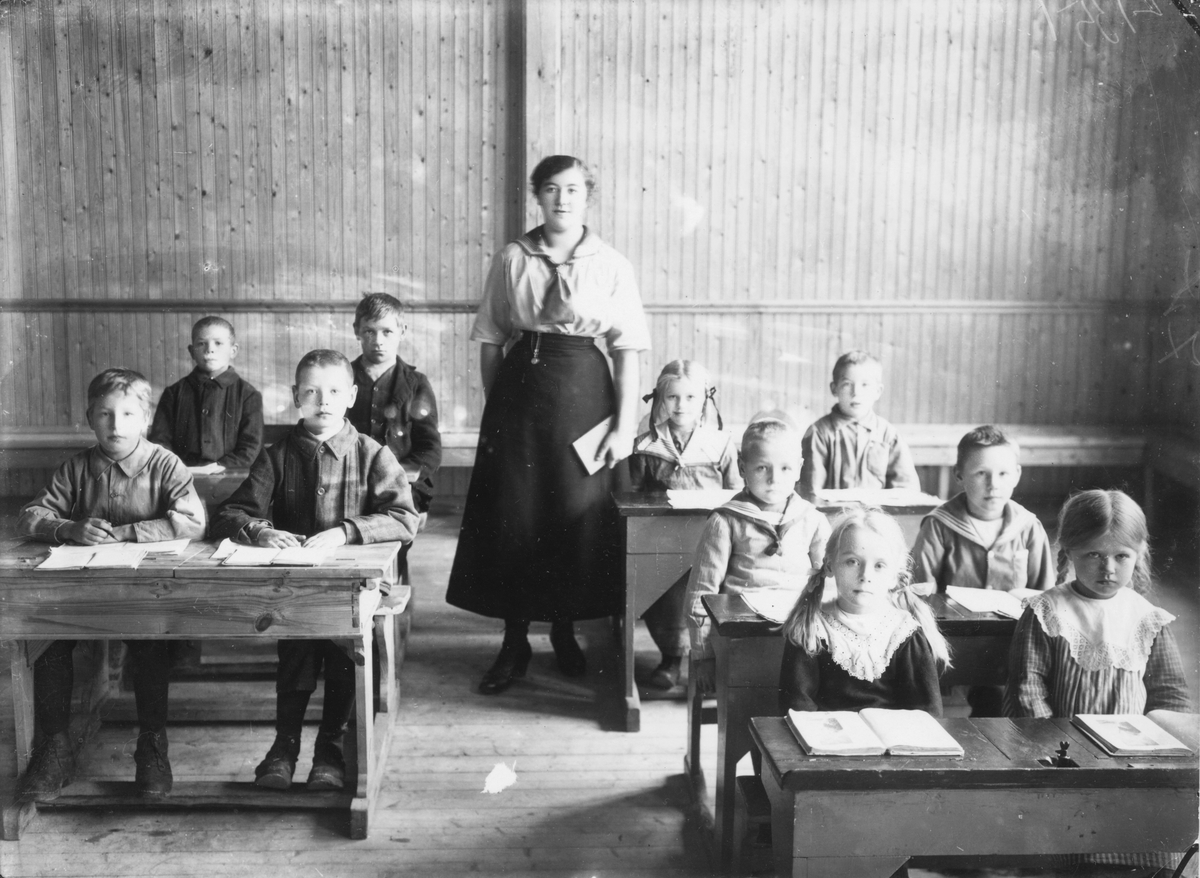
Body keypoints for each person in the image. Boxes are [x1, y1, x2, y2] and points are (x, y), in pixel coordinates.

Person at [446, 155, 651, 696]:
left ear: (588, 197)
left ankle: (564, 630)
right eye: (552, 189)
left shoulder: (611, 264)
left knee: (572, 516)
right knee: (515, 515)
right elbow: (491, 339)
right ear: (537, 195)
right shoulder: (513, 258)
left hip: (586, 398)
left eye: (574, 189)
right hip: (519, 401)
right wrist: (500, 409)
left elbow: (628, 350)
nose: (563, 199)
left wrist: (623, 427)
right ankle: (513, 642)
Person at [212, 350, 419, 790]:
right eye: (311, 391)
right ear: (295, 397)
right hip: (296, 592)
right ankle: (284, 746)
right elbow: (231, 512)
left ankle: (330, 749)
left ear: (352, 396)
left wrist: (347, 531)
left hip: (356, 590)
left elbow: (404, 518)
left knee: (344, 657)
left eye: (334, 392)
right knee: (296, 656)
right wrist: (261, 530)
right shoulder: (277, 455)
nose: (323, 401)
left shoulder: (372, 454)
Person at [17, 369, 207, 801]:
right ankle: (55, 748)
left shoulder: (165, 464)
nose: (116, 425)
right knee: (47, 640)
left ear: (146, 418)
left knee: (150, 643)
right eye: (105, 414)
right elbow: (30, 515)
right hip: (83, 590)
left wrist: (129, 533)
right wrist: (67, 527)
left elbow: (193, 522)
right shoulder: (76, 467)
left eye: (127, 414)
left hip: (145, 592)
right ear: (90, 418)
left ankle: (152, 745)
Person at [1005, 490, 1191, 874]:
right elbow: (1028, 690)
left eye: (1121, 556)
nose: (1108, 568)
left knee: (1148, 841)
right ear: (1069, 552)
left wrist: (1157, 746)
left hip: (1133, 760)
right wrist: (1058, 749)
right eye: (1093, 554)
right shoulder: (1047, 612)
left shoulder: (1146, 617)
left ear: (1138, 555)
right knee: (1075, 846)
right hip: (1063, 759)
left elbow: (1170, 693)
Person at [910, 425, 1054, 715]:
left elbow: (1047, 595)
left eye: (1003, 474)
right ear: (959, 475)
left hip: (1013, 637)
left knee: (1006, 696)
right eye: (981, 473)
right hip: (955, 637)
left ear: (1017, 475)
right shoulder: (939, 525)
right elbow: (919, 591)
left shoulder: (1028, 527)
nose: (993, 484)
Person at [684, 418, 830, 695]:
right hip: (741, 634)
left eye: (785, 468)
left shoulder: (813, 520)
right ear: (742, 468)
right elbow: (700, 594)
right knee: (747, 697)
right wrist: (702, 655)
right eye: (762, 467)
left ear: (799, 468)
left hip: (799, 632)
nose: (774, 479)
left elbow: (829, 584)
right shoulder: (725, 521)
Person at [629, 360, 741, 690]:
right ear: (660, 399)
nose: (681, 405)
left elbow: (736, 494)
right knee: (667, 592)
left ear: (705, 399)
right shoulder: (647, 444)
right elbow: (633, 495)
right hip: (663, 540)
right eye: (672, 397)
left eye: (690, 397)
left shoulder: (719, 443)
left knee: (716, 589)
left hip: (713, 539)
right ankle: (671, 658)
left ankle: (713, 662)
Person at [778, 508, 949, 714]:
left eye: (879, 565)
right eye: (852, 561)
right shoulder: (812, 629)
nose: (865, 575)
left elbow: (928, 712)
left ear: (895, 576)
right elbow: (797, 706)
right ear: (830, 565)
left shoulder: (904, 633)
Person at [347, 292, 442, 526]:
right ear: (356, 330)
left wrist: (412, 491)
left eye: (387, 331)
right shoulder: (342, 378)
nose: (378, 340)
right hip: (348, 485)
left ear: (402, 331)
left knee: (398, 542)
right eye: (369, 331)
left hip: (402, 488)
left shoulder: (417, 384)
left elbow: (429, 448)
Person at [799, 350, 918, 498]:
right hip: (831, 511)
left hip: (878, 511)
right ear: (834, 389)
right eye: (847, 384)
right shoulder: (819, 433)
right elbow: (811, 491)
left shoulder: (888, 434)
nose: (856, 392)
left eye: (865, 385)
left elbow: (906, 488)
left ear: (878, 391)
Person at [148, 316, 264, 468]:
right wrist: (178, 469)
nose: (210, 349)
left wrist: (219, 468)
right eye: (201, 343)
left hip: (231, 476)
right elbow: (160, 441)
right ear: (192, 352)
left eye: (218, 343)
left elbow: (251, 447)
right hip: (181, 475)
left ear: (233, 350)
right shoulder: (174, 393)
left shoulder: (248, 395)